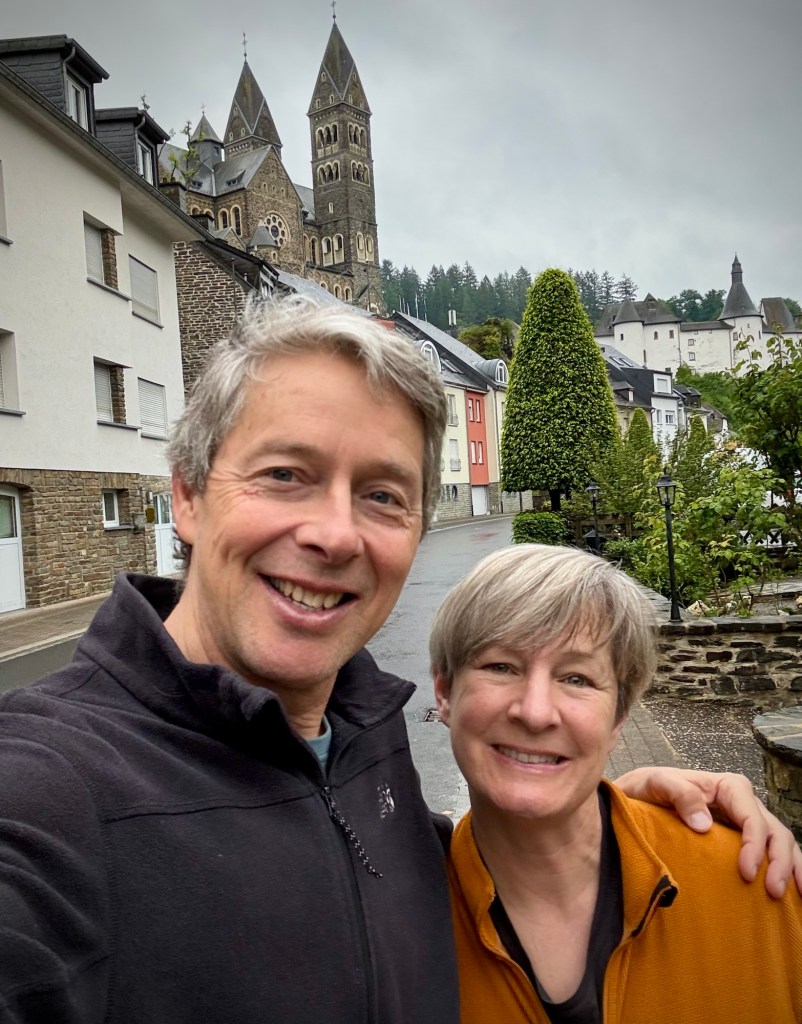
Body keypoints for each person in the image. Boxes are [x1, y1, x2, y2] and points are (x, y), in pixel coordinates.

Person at [0, 297, 797, 1023]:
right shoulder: (47, 788)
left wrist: (613, 809)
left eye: (382, 495)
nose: (335, 535)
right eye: (285, 475)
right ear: (187, 495)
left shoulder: (362, 745)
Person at [432, 544, 802, 1023]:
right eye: (501, 667)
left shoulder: (759, 889)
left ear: (619, 718)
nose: (536, 712)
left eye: (577, 678)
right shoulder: (397, 924)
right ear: (445, 692)